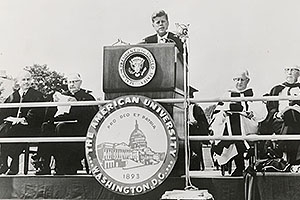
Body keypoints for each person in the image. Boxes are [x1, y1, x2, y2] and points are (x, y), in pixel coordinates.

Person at [34, 73, 98, 175]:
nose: (72, 84)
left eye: (74, 82)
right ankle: (43, 164)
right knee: (46, 126)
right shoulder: (63, 95)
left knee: (61, 128)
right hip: (60, 123)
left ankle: (63, 165)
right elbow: (50, 115)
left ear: (80, 83)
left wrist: (77, 104)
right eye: (70, 82)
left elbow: (91, 117)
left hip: (79, 128)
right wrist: (53, 103)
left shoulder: (87, 96)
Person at [211, 69, 267, 176]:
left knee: (234, 122)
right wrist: (225, 112)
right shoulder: (227, 94)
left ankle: (239, 166)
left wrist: (250, 112)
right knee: (233, 119)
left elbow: (261, 112)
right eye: (236, 79)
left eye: (242, 79)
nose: (239, 82)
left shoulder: (253, 93)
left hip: (249, 125)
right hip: (230, 125)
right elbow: (218, 111)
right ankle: (241, 161)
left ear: (247, 81)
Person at [0, 70, 45, 175]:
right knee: (3, 129)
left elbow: (36, 115)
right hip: (11, 127)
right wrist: (11, 119)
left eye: (28, 79)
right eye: (23, 80)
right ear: (18, 82)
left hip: (30, 127)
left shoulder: (37, 96)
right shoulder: (12, 96)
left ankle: (14, 163)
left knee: (16, 130)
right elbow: (3, 113)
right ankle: (3, 162)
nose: (26, 82)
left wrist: (21, 120)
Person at [260, 65, 300, 165]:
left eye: (293, 70)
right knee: (289, 119)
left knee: (291, 114)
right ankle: (293, 161)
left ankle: (279, 148)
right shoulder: (277, 89)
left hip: (298, 121)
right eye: (287, 70)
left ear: (298, 73)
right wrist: (277, 114)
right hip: (279, 123)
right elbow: (271, 108)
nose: (289, 72)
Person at [188, 86, 210, 171]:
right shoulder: (181, 106)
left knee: (196, 150)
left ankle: (197, 167)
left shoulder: (196, 108)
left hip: (194, 131)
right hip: (184, 130)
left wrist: (195, 123)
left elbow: (203, 122)